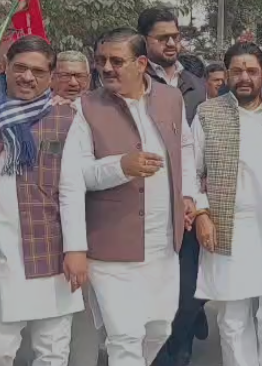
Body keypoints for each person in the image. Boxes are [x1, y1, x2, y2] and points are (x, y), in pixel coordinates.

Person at [60, 27, 199, 366]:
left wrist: (188, 194)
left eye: (116, 61)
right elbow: (75, 177)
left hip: (163, 245)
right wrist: (120, 167)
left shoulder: (171, 98)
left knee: (158, 328)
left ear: (141, 64)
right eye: (101, 61)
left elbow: (185, 147)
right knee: (125, 336)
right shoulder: (86, 107)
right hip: (111, 247)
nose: (106, 68)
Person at [0, 36, 86, 366]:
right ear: (4, 67)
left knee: (52, 352)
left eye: (38, 71)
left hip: (49, 247)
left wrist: (76, 249)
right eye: (20, 68)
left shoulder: (66, 118)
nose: (27, 77)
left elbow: (71, 189)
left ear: (51, 76)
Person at [192, 42, 262, 366]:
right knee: (233, 316)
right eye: (237, 71)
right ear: (227, 74)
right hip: (227, 225)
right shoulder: (208, 113)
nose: (244, 78)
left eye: (251, 71)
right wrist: (201, 213)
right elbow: (191, 170)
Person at [138, 8, 207, 366]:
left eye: (175, 37)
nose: (170, 43)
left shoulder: (195, 84)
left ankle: (180, 346)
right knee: (155, 287)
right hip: (147, 199)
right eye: (162, 37)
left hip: (188, 200)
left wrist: (192, 195)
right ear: (144, 41)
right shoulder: (133, 79)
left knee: (190, 284)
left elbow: (195, 146)